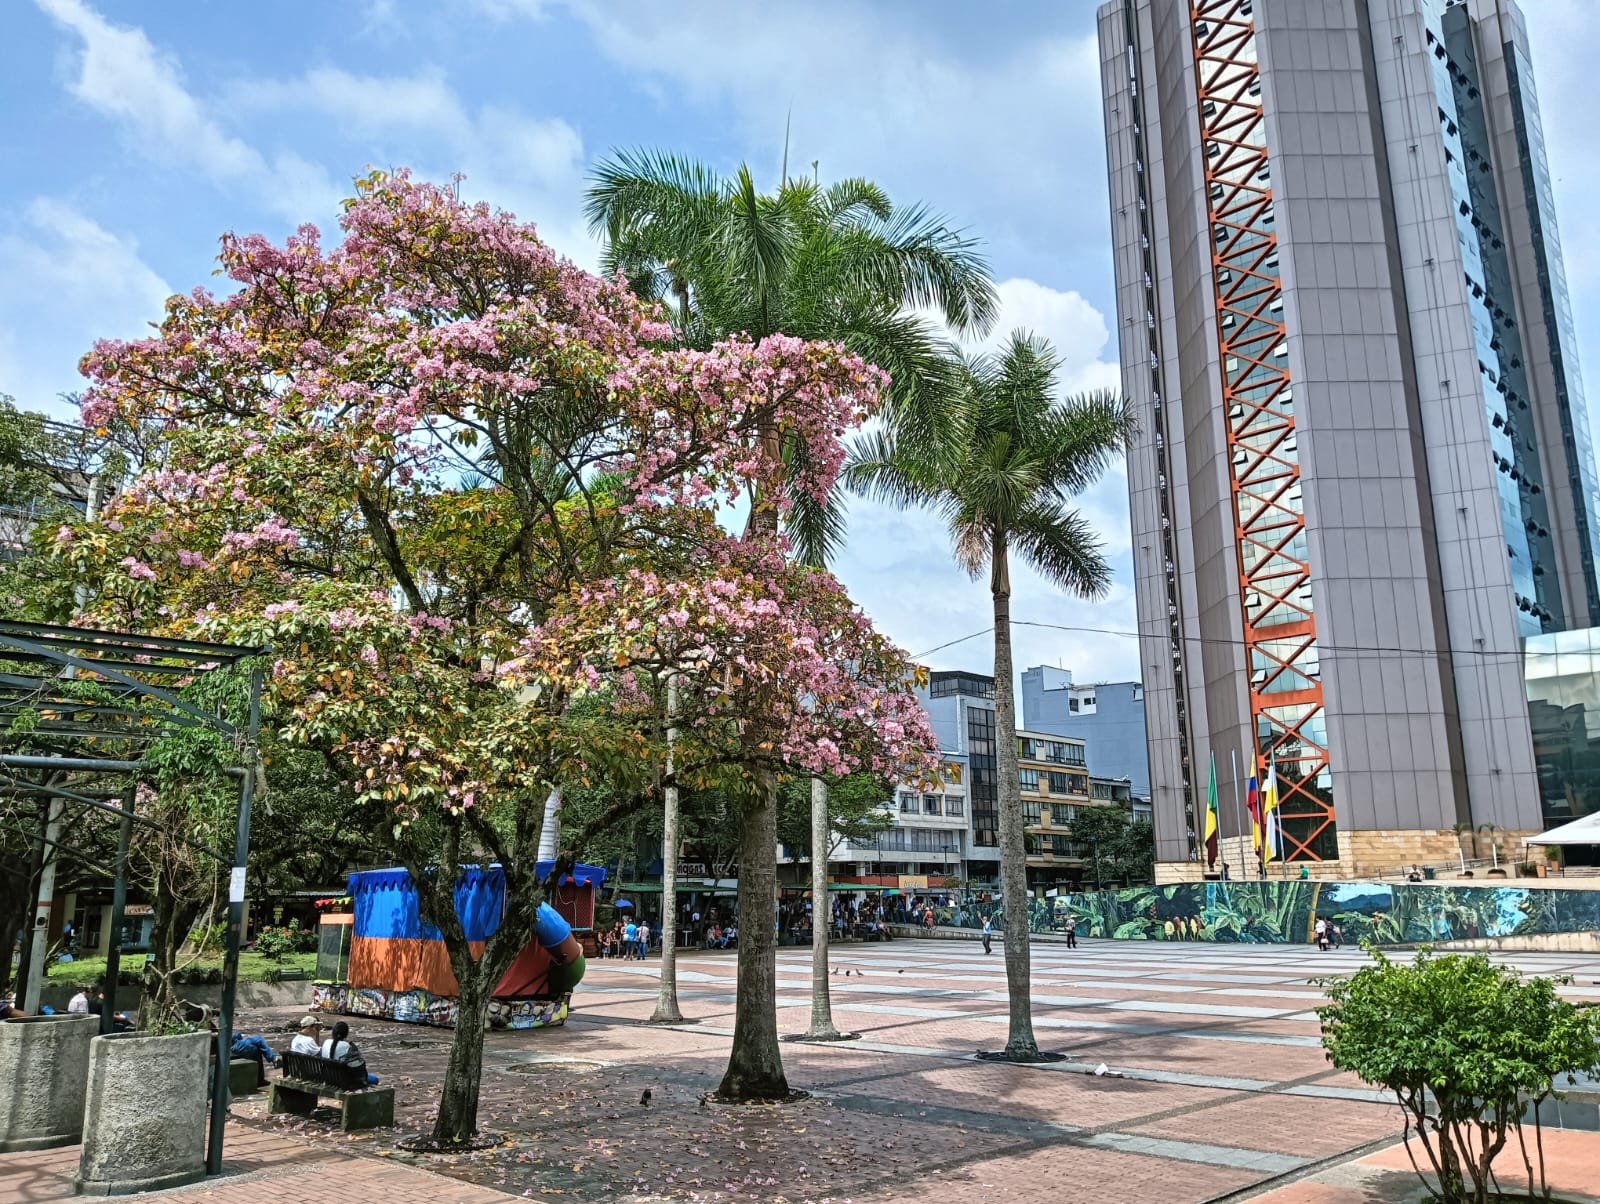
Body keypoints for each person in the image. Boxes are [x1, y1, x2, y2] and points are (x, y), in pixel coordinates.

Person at [321, 1020, 378, 1085]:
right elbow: (358, 1068)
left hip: (328, 1078)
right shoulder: (347, 1046)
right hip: (344, 1081)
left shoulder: (326, 1042)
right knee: (374, 1079)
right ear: (346, 1034)